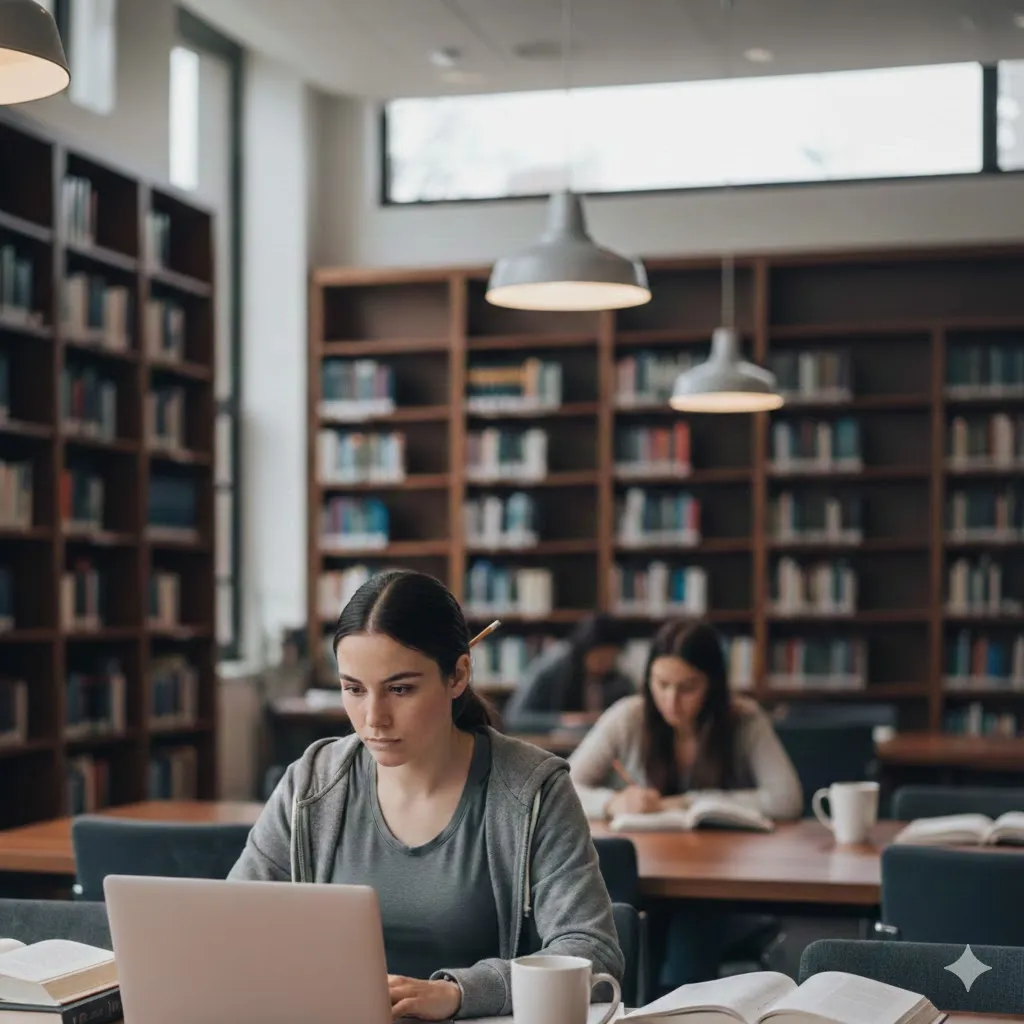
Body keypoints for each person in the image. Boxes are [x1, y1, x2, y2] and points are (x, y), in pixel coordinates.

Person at [230, 570, 623, 1022]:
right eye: (354, 689)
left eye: (400, 689)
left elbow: (591, 953)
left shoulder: (533, 789)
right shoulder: (311, 784)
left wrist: (457, 993)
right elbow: (236, 926)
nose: (373, 718)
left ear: (457, 675)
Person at [568, 619, 803, 989]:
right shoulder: (629, 715)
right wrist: (614, 802)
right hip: (644, 882)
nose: (671, 701)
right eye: (661, 685)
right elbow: (564, 786)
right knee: (642, 956)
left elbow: (786, 798)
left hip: (715, 885)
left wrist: (689, 802)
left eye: (687, 687)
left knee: (685, 961)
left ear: (713, 684)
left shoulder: (742, 719)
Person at [502, 614, 635, 729]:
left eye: (612, 657)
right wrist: (562, 720)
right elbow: (514, 717)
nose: (606, 664)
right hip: (551, 751)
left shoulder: (617, 676)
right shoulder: (556, 663)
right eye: (601, 657)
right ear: (586, 648)